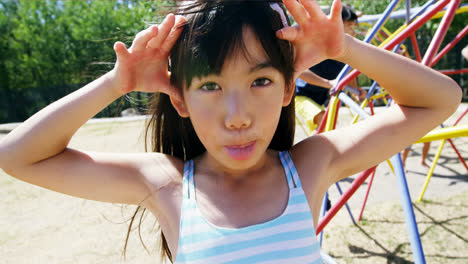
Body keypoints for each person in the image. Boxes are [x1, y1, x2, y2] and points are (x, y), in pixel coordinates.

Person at [0, 0, 462, 263]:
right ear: (179, 99)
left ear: (287, 89)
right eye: (211, 85)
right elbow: (18, 156)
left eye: (260, 80)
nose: (237, 116)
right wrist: (115, 84)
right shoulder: (166, 183)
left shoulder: (310, 165)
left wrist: (344, 48)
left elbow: (440, 99)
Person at [296, 3, 367, 131]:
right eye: (349, 26)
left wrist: (356, 91)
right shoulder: (318, 45)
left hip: (319, 99)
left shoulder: (344, 50)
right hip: (299, 96)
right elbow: (300, 71)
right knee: (324, 121)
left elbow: (348, 71)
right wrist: (328, 83)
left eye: (353, 26)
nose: (353, 30)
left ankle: (316, 150)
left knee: (325, 128)